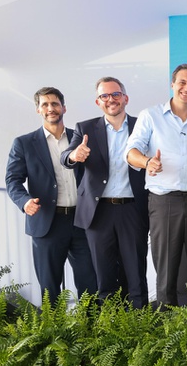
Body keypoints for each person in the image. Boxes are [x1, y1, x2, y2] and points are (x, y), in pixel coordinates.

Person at [125, 63, 187, 307]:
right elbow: (130, 152)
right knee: (166, 269)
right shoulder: (151, 116)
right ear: (172, 84)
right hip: (163, 201)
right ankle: (168, 333)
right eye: (182, 83)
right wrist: (147, 162)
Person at [60, 77, 150, 308]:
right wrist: (74, 156)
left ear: (125, 98)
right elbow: (66, 156)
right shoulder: (85, 128)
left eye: (115, 94)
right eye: (105, 96)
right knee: (104, 275)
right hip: (98, 212)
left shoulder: (142, 125)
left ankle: (141, 328)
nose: (111, 100)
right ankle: (110, 330)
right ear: (98, 101)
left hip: (133, 208)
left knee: (135, 273)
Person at [5, 87, 97, 304]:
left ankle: (90, 333)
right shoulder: (24, 143)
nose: (50, 108)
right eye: (45, 104)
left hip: (82, 222)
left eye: (54, 104)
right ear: (38, 110)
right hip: (47, 221)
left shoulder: (81, 139)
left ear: (63, 107)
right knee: (50, 287)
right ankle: (55, 335)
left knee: (90, 284)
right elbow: (12, 180)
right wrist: (24, 201)